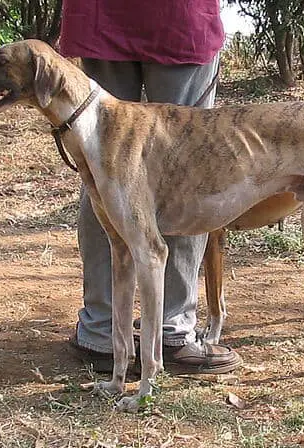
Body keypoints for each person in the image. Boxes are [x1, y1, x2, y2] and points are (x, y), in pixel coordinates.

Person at [60, 0, 242, 374]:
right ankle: (171, 332)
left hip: (103, 17)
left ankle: (102, 332)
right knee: (189, 174)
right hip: (180, 18)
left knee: (103, 175)